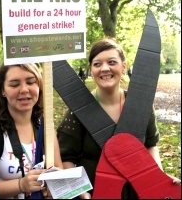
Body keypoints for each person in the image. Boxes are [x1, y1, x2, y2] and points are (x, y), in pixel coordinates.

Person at [56, 38, 180, 199]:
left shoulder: (140, 105)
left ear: (124, 66)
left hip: (137, 192)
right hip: (95, 193)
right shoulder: (78, 111)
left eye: (112, 62)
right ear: (91, 70)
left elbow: (150, 146)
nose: (104, 68)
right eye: (97, 64)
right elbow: (67, 158)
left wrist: (159, 179)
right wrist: (81, 193)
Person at [0, 63, 63, 199]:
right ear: (2, 90)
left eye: (30, 82)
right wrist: (20, 185)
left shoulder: (45, 125)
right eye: (14, 84)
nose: (24, 90)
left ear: (39, 86)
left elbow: (58, 168)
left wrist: (54, 189)